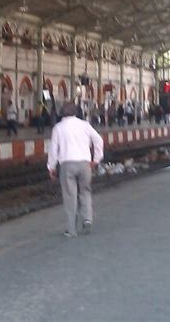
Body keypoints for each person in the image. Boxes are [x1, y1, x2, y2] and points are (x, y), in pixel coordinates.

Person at [47, 101, 104, 237]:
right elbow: (99, 140)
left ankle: (72, 230)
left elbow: (53, 150)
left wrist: (51, 167)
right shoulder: (85, 125)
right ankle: (87, 219)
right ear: (76, 112)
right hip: (84, 164)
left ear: (62, 113)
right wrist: (96, 160)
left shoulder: (58, 128)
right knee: (85, 192)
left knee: (70, 196)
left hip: (67, 165)